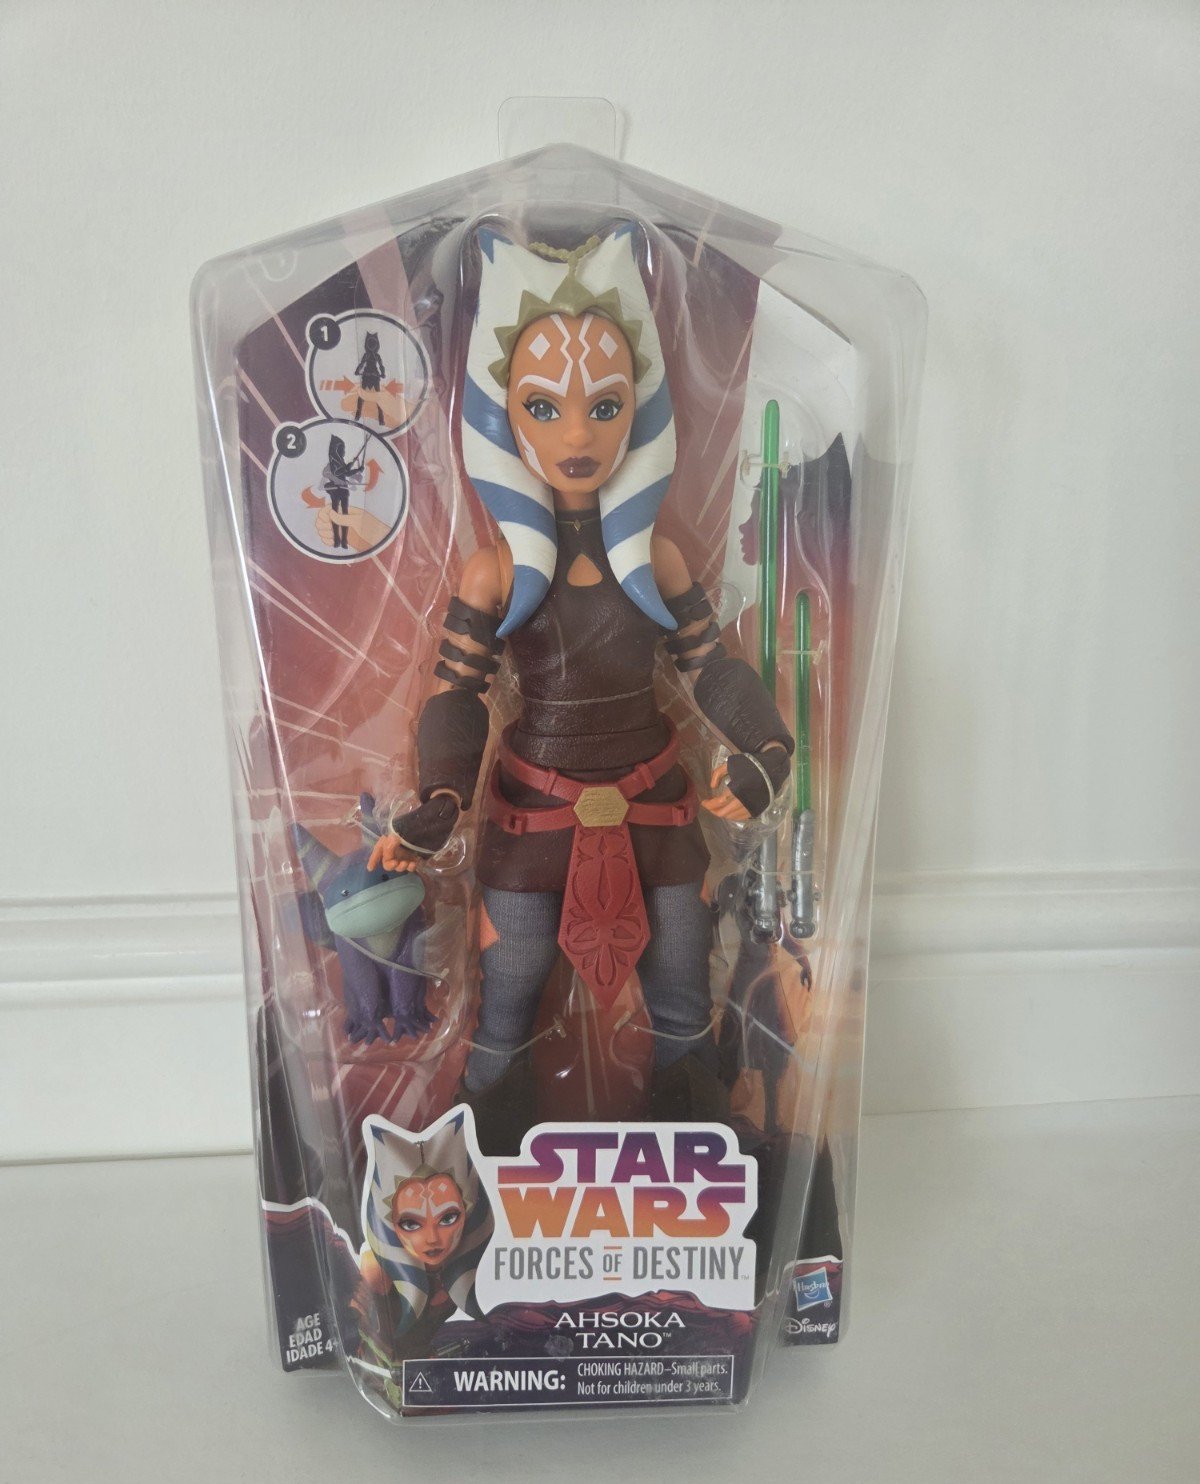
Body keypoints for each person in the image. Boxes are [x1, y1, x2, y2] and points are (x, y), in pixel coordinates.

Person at [369, 227, 793, 1148]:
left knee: (681, 978)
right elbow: (457, 698)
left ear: (637, 409)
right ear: (506, 417)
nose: (574, 435)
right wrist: (440, 795)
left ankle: (697, 1148)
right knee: (511, 983)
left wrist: (766, 747)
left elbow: (711, 667)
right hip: (535, 812)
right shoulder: (494, 572)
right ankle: (485, 1150)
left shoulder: (658, 558)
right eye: (542, 406)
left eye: (603, 407)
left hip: (656, 805)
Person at [354, 1113, 492, 1362]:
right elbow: (353, 1328)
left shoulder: (464, 1266)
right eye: (411, 1223)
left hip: (424, 1366)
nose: (432, 1238)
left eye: (447, 1218)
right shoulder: (377, 1270)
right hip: (380, 1369)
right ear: (390, 1222)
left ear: (468, 1212)